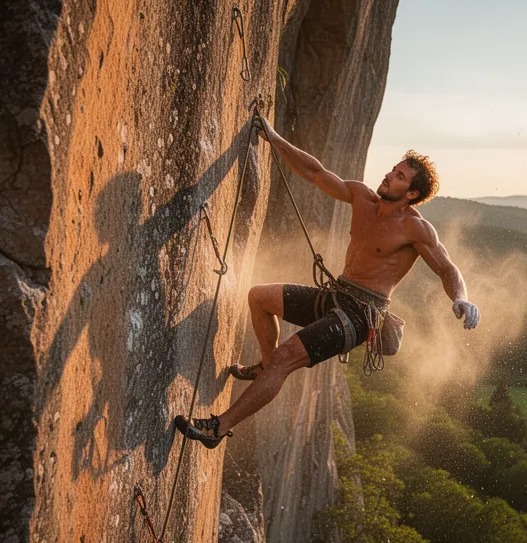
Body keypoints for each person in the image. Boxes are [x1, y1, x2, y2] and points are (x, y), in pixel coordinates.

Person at [176, 115, 480, 448]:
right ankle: (265, 365)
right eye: (393, 170)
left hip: (359, 316)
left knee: (286, 358)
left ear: (412, 192)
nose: (389, 175)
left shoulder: (415, 228)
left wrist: (460, 298)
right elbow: (315, 172)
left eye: (400, 176)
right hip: (336, 296)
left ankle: (217, 428)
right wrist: (275, 138)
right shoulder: (363, 198)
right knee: (259, 297)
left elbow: (448, 268)